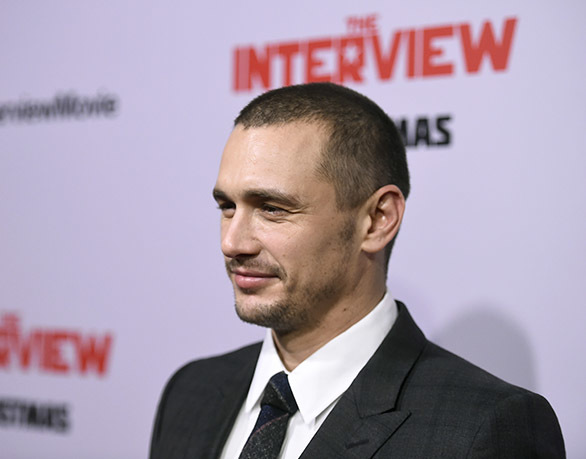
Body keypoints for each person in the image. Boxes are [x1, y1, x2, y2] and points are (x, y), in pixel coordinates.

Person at [149, 83, 565, 458]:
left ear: (377, 219)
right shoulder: (190, 393)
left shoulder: (483, 428)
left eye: (272, 209)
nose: (232, 243)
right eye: (227, 207)